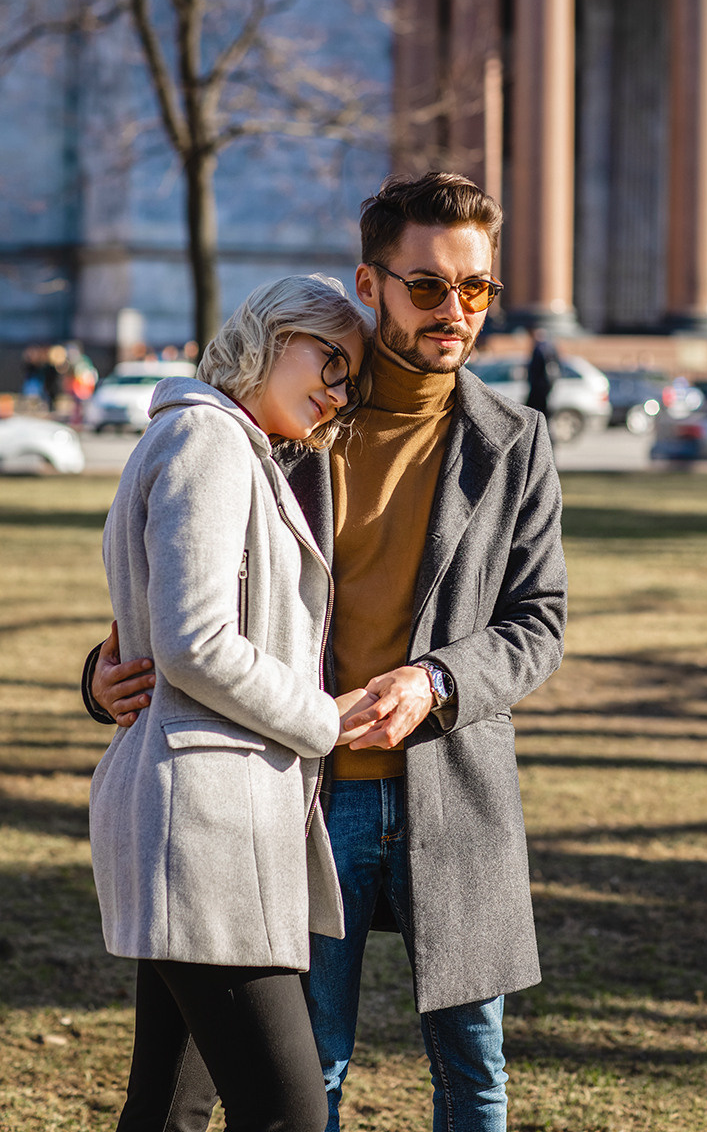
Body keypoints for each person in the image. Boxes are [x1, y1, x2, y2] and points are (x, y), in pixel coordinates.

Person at [85, 173, 568, 1132]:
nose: (455, 309)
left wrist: (437, 681)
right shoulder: (294, 416)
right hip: (299, 793)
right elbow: (182, 595)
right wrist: (104, 676)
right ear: (372, 284)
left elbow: (538, 622)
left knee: (475, 1071)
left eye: (476, 287)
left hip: (451, 779)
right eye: (428, 286)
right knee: (314, 1069)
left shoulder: (515, 441)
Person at [87, 273, 375, 1132]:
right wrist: (325, 718)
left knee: (168, 1110)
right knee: (289, 1114)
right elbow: (196, 640)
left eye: (352, 379)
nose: (338, 391)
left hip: (203, 813)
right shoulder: (208, 439)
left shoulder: (226, 442)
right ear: (275, 335)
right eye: (331, 360)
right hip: (206, 825)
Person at [524, 326, 561, 419]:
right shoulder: (551, 347)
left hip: (539, 385)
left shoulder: (540, 348)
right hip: (547, 384)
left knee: (535, 409)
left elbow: (536, 369)